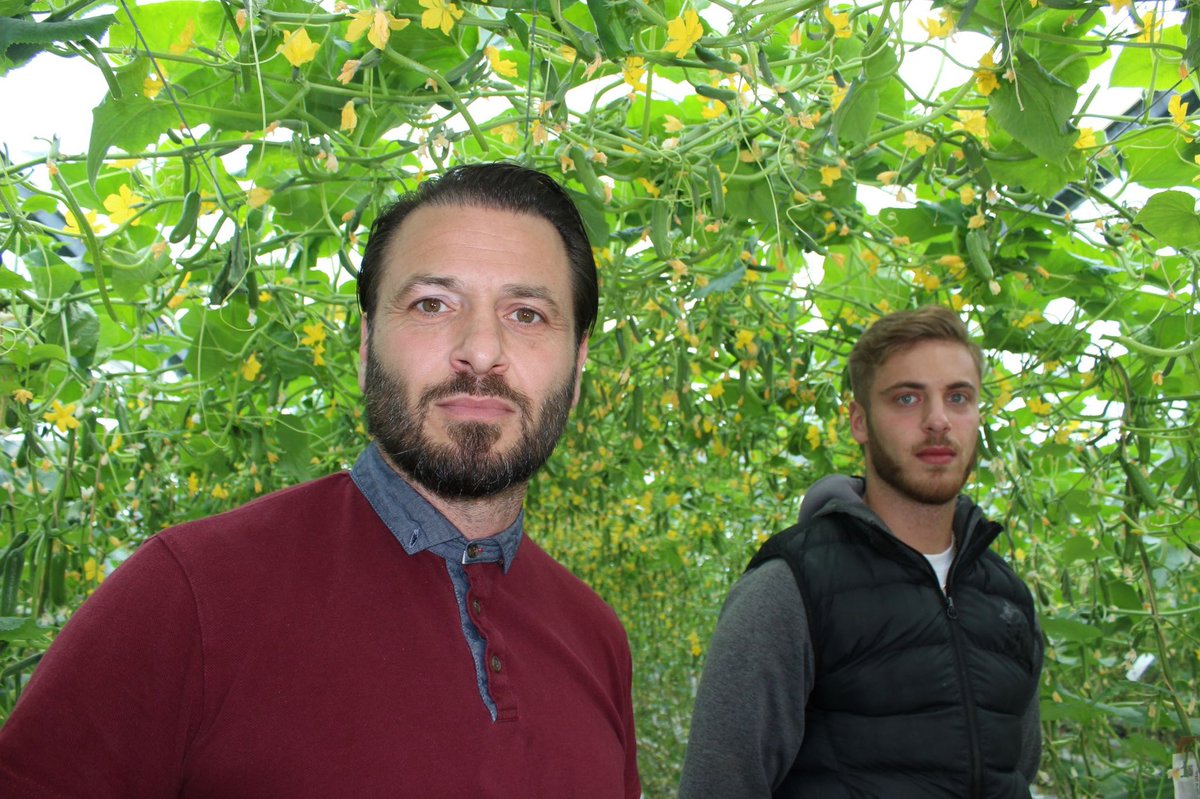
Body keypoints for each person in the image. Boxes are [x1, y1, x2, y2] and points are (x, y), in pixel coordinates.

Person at [0, 163, 641, 798]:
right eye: (431, 304)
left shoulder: (599, 639)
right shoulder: (185, 596)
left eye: (527, 314)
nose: (480, 348)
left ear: (579, 365)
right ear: (365, 348)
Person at [678, 306, 1042, 798]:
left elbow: (1016, 772)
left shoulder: (1009, 600)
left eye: (958, 397)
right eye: (907, 398)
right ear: (859, 422)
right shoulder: (788, 588)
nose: (938, 421)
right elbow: (719, 786)